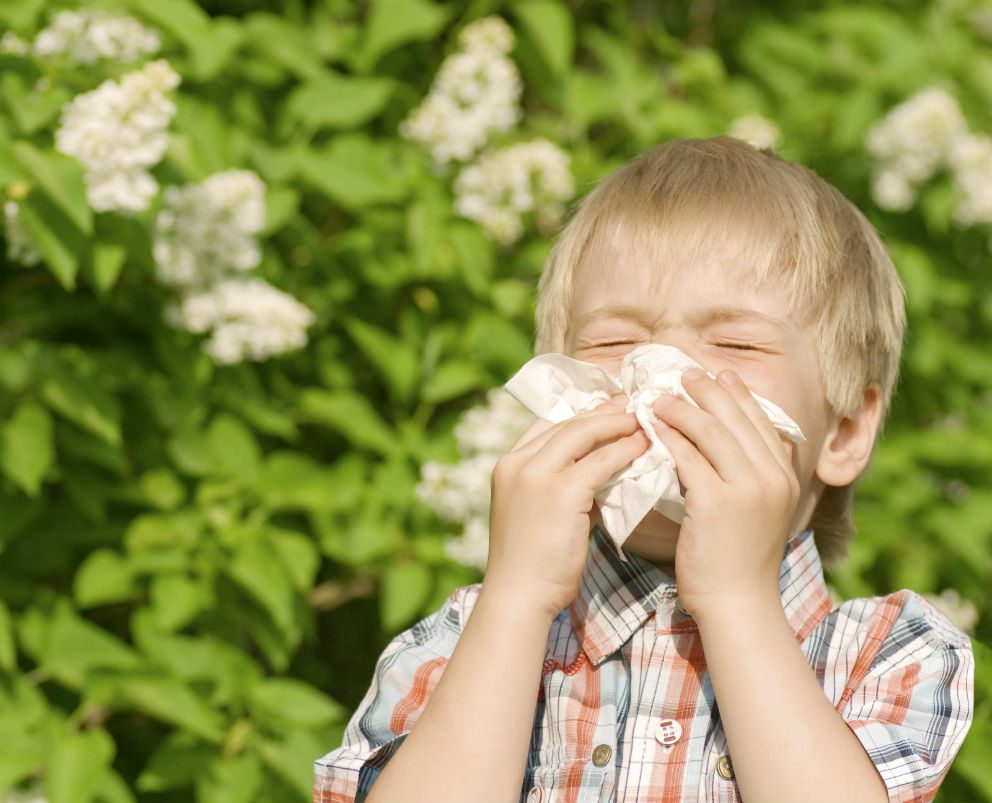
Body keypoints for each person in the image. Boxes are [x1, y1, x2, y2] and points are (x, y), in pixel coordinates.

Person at [312, 136, 975, 803]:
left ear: (844, 431)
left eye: (734, 342)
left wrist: (736, 597)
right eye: (614, 340)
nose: (658, 374)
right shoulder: (466, 639)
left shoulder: (887, 653)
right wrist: (516, 596)